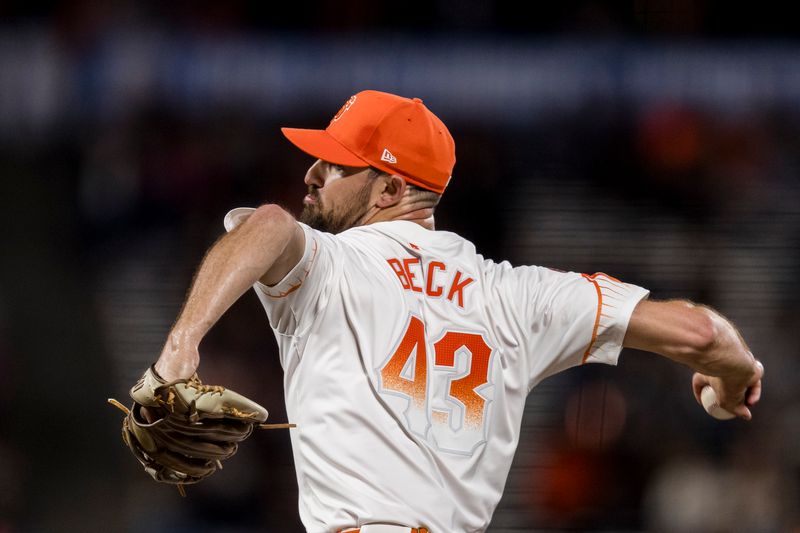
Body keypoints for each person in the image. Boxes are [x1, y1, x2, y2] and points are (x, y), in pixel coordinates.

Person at [149, 89, 763, 533]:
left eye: (335, 164)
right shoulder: (519, 294)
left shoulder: (331, 265)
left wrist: (180, 348)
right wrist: (732, 378)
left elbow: (268, 224)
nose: (311, 173)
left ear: (389, 190)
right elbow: (704, 332)